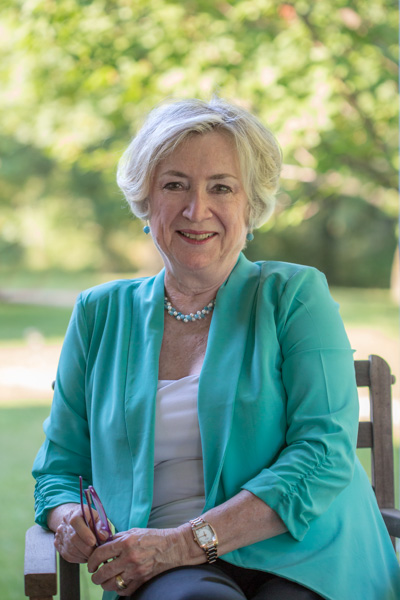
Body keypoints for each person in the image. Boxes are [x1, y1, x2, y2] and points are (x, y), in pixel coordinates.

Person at [32, 98, 400, 600]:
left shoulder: (294, 296)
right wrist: (70, 517)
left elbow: (322, 452)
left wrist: (182, 544)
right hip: (162, 569)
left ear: (251, 206)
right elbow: (59, 470)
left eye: (221, 187)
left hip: (309, 553)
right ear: (146, 201)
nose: (196, 209)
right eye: (175, 185)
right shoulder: (100, 313)